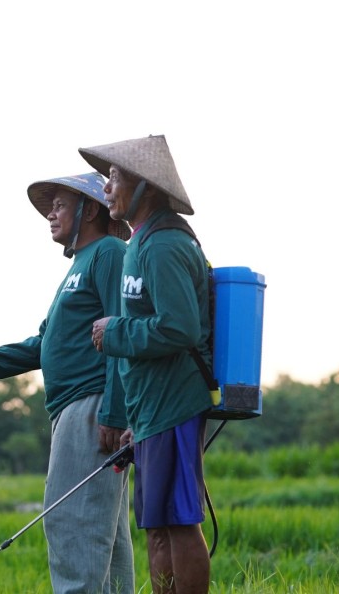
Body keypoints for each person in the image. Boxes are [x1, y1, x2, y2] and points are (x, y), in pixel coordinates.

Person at [0, 172, 135, 594]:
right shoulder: (77, 267)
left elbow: (122, 331)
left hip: (91, 406)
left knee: (75, 526)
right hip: (73, 409)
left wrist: (114, 411)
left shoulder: (108, 253)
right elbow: (42, 345)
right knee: (102, 532)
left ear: (91, 210)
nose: (51, 213)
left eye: (60, 205)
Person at [84, 135, 212, 594]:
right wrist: (135, 421)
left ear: (146, 187)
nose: (106, 187)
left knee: (179, 522)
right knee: (157, 526)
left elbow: (180, 328)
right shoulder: (140, 244)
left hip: (174, 404)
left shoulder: (164, 245)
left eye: (115, 177)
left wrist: (115, 331)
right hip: (152, 411)